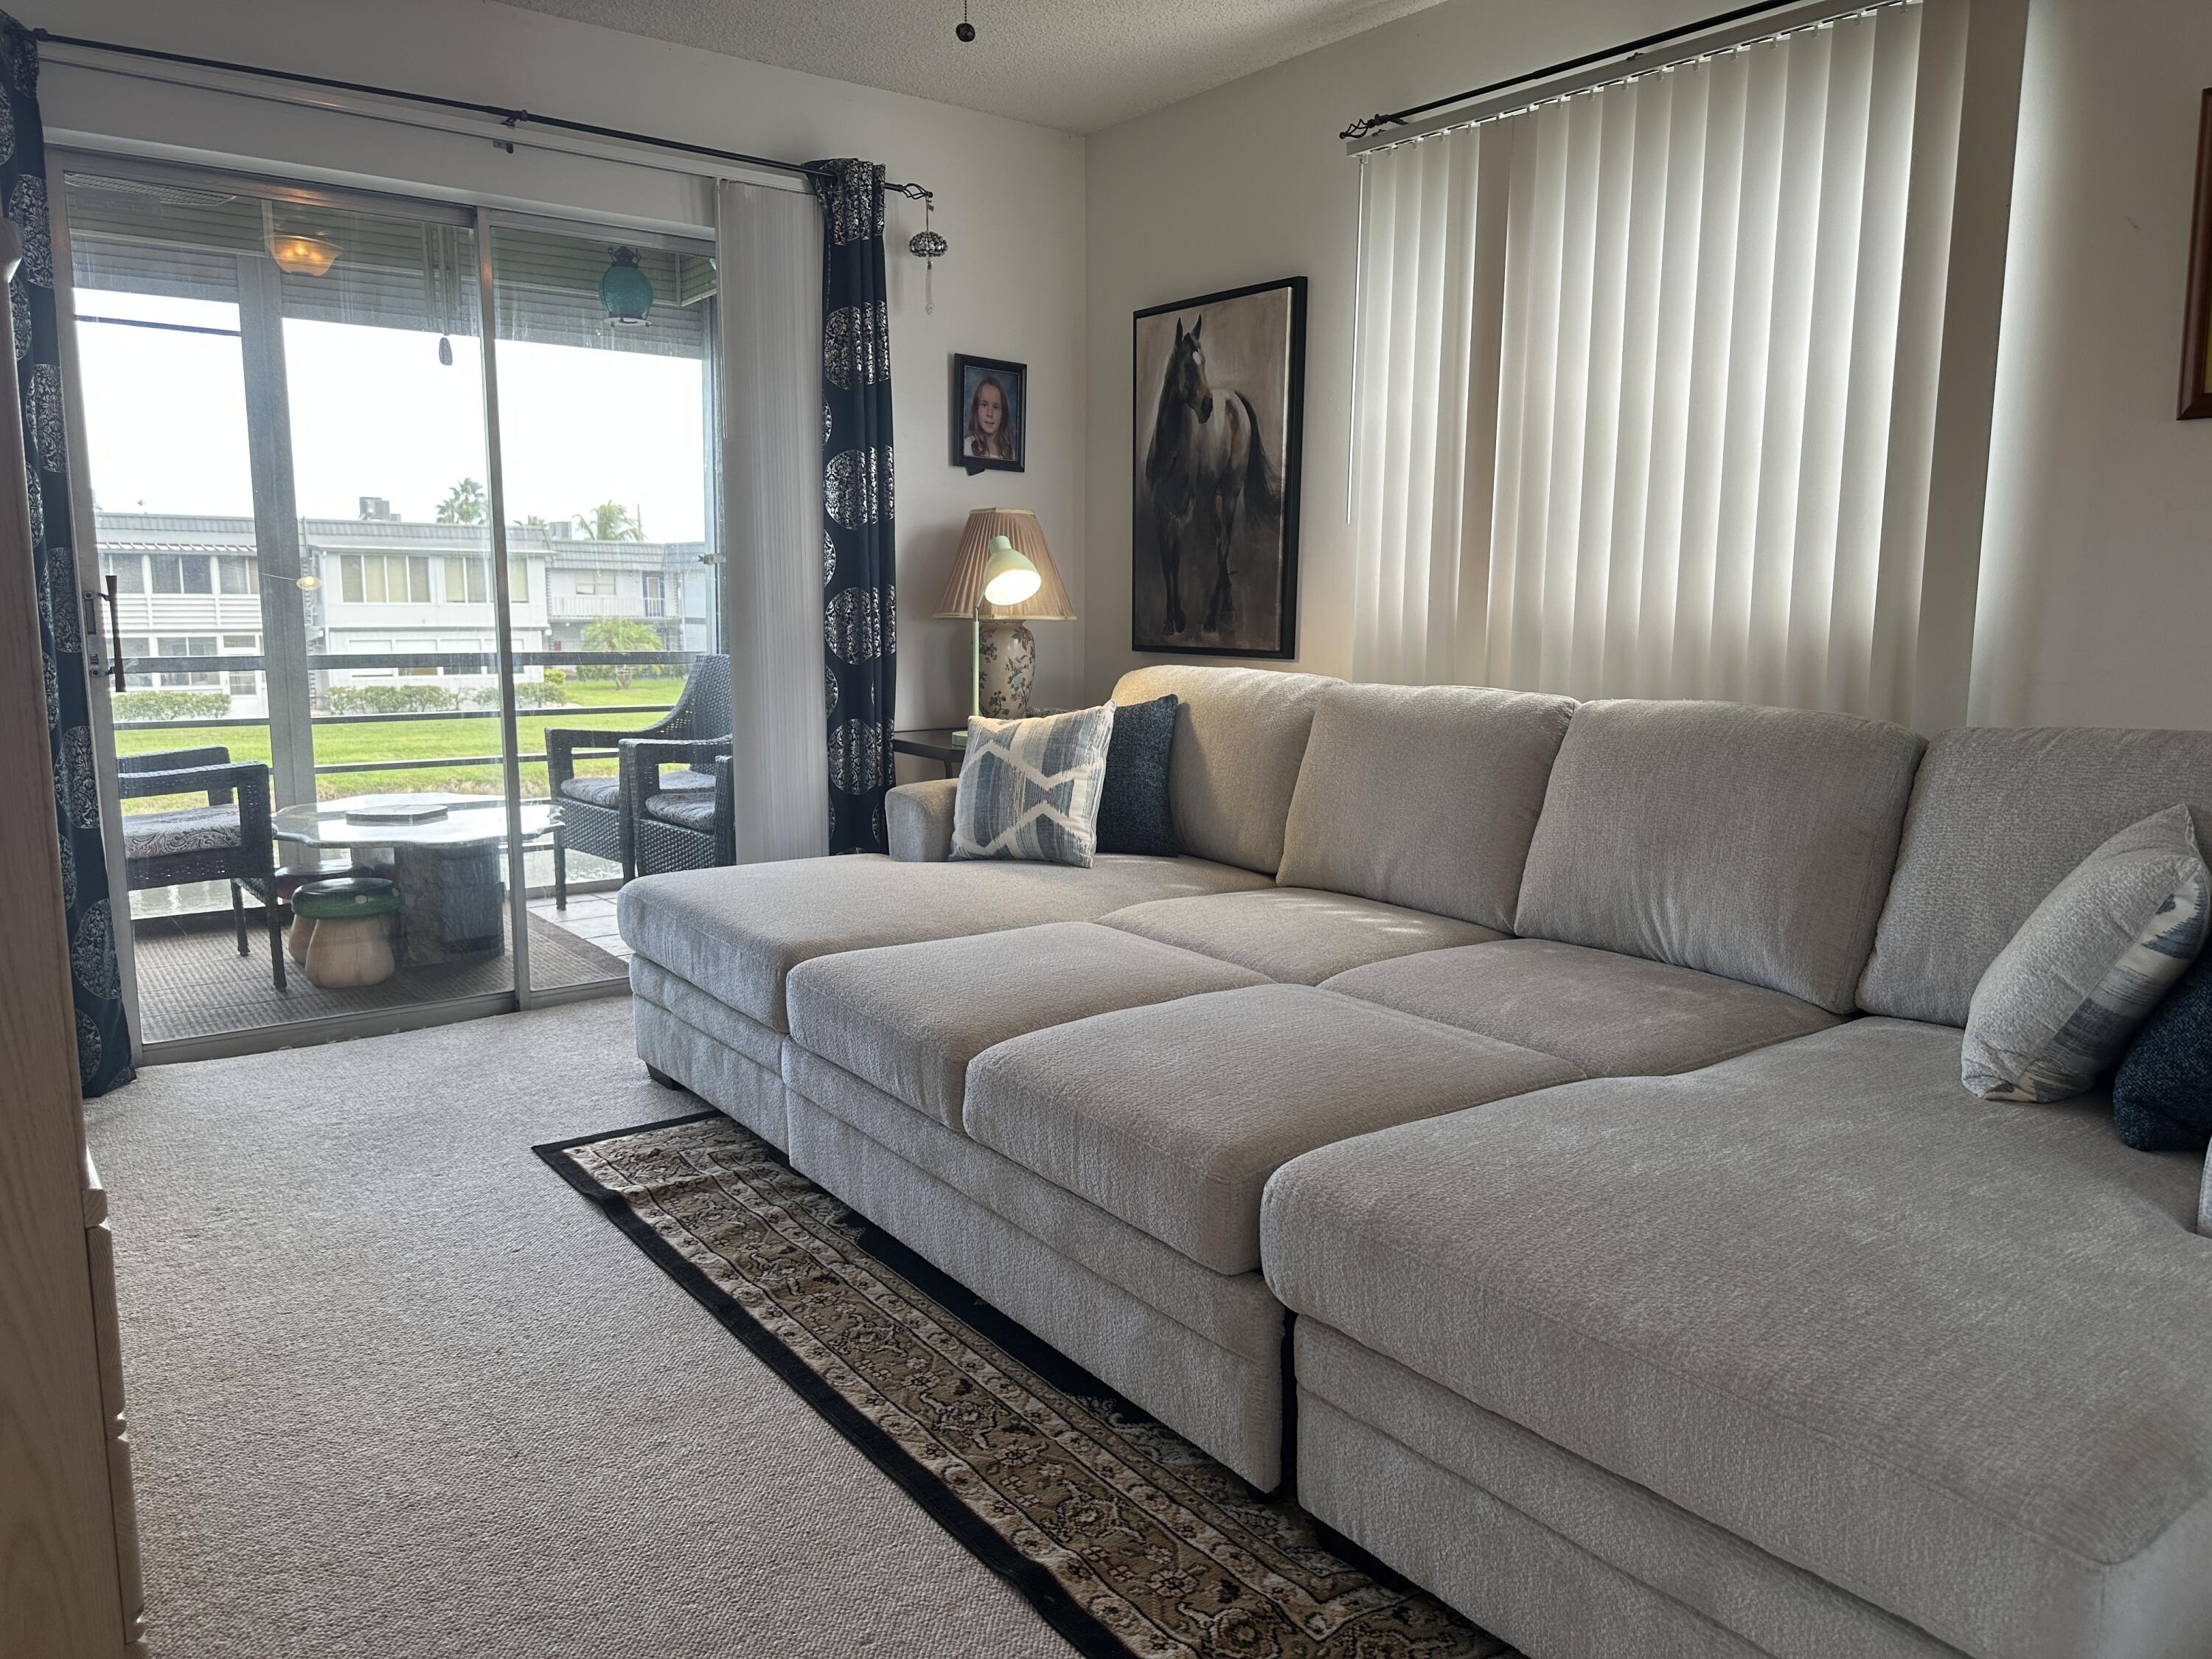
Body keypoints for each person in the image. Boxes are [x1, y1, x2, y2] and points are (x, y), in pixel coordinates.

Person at [966, 375, 1017, 462]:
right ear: (976, 409)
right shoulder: (966, 448)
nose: (990, 413)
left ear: (1003, 413)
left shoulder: (1012, 455)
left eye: (996, 407)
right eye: (984, 405)